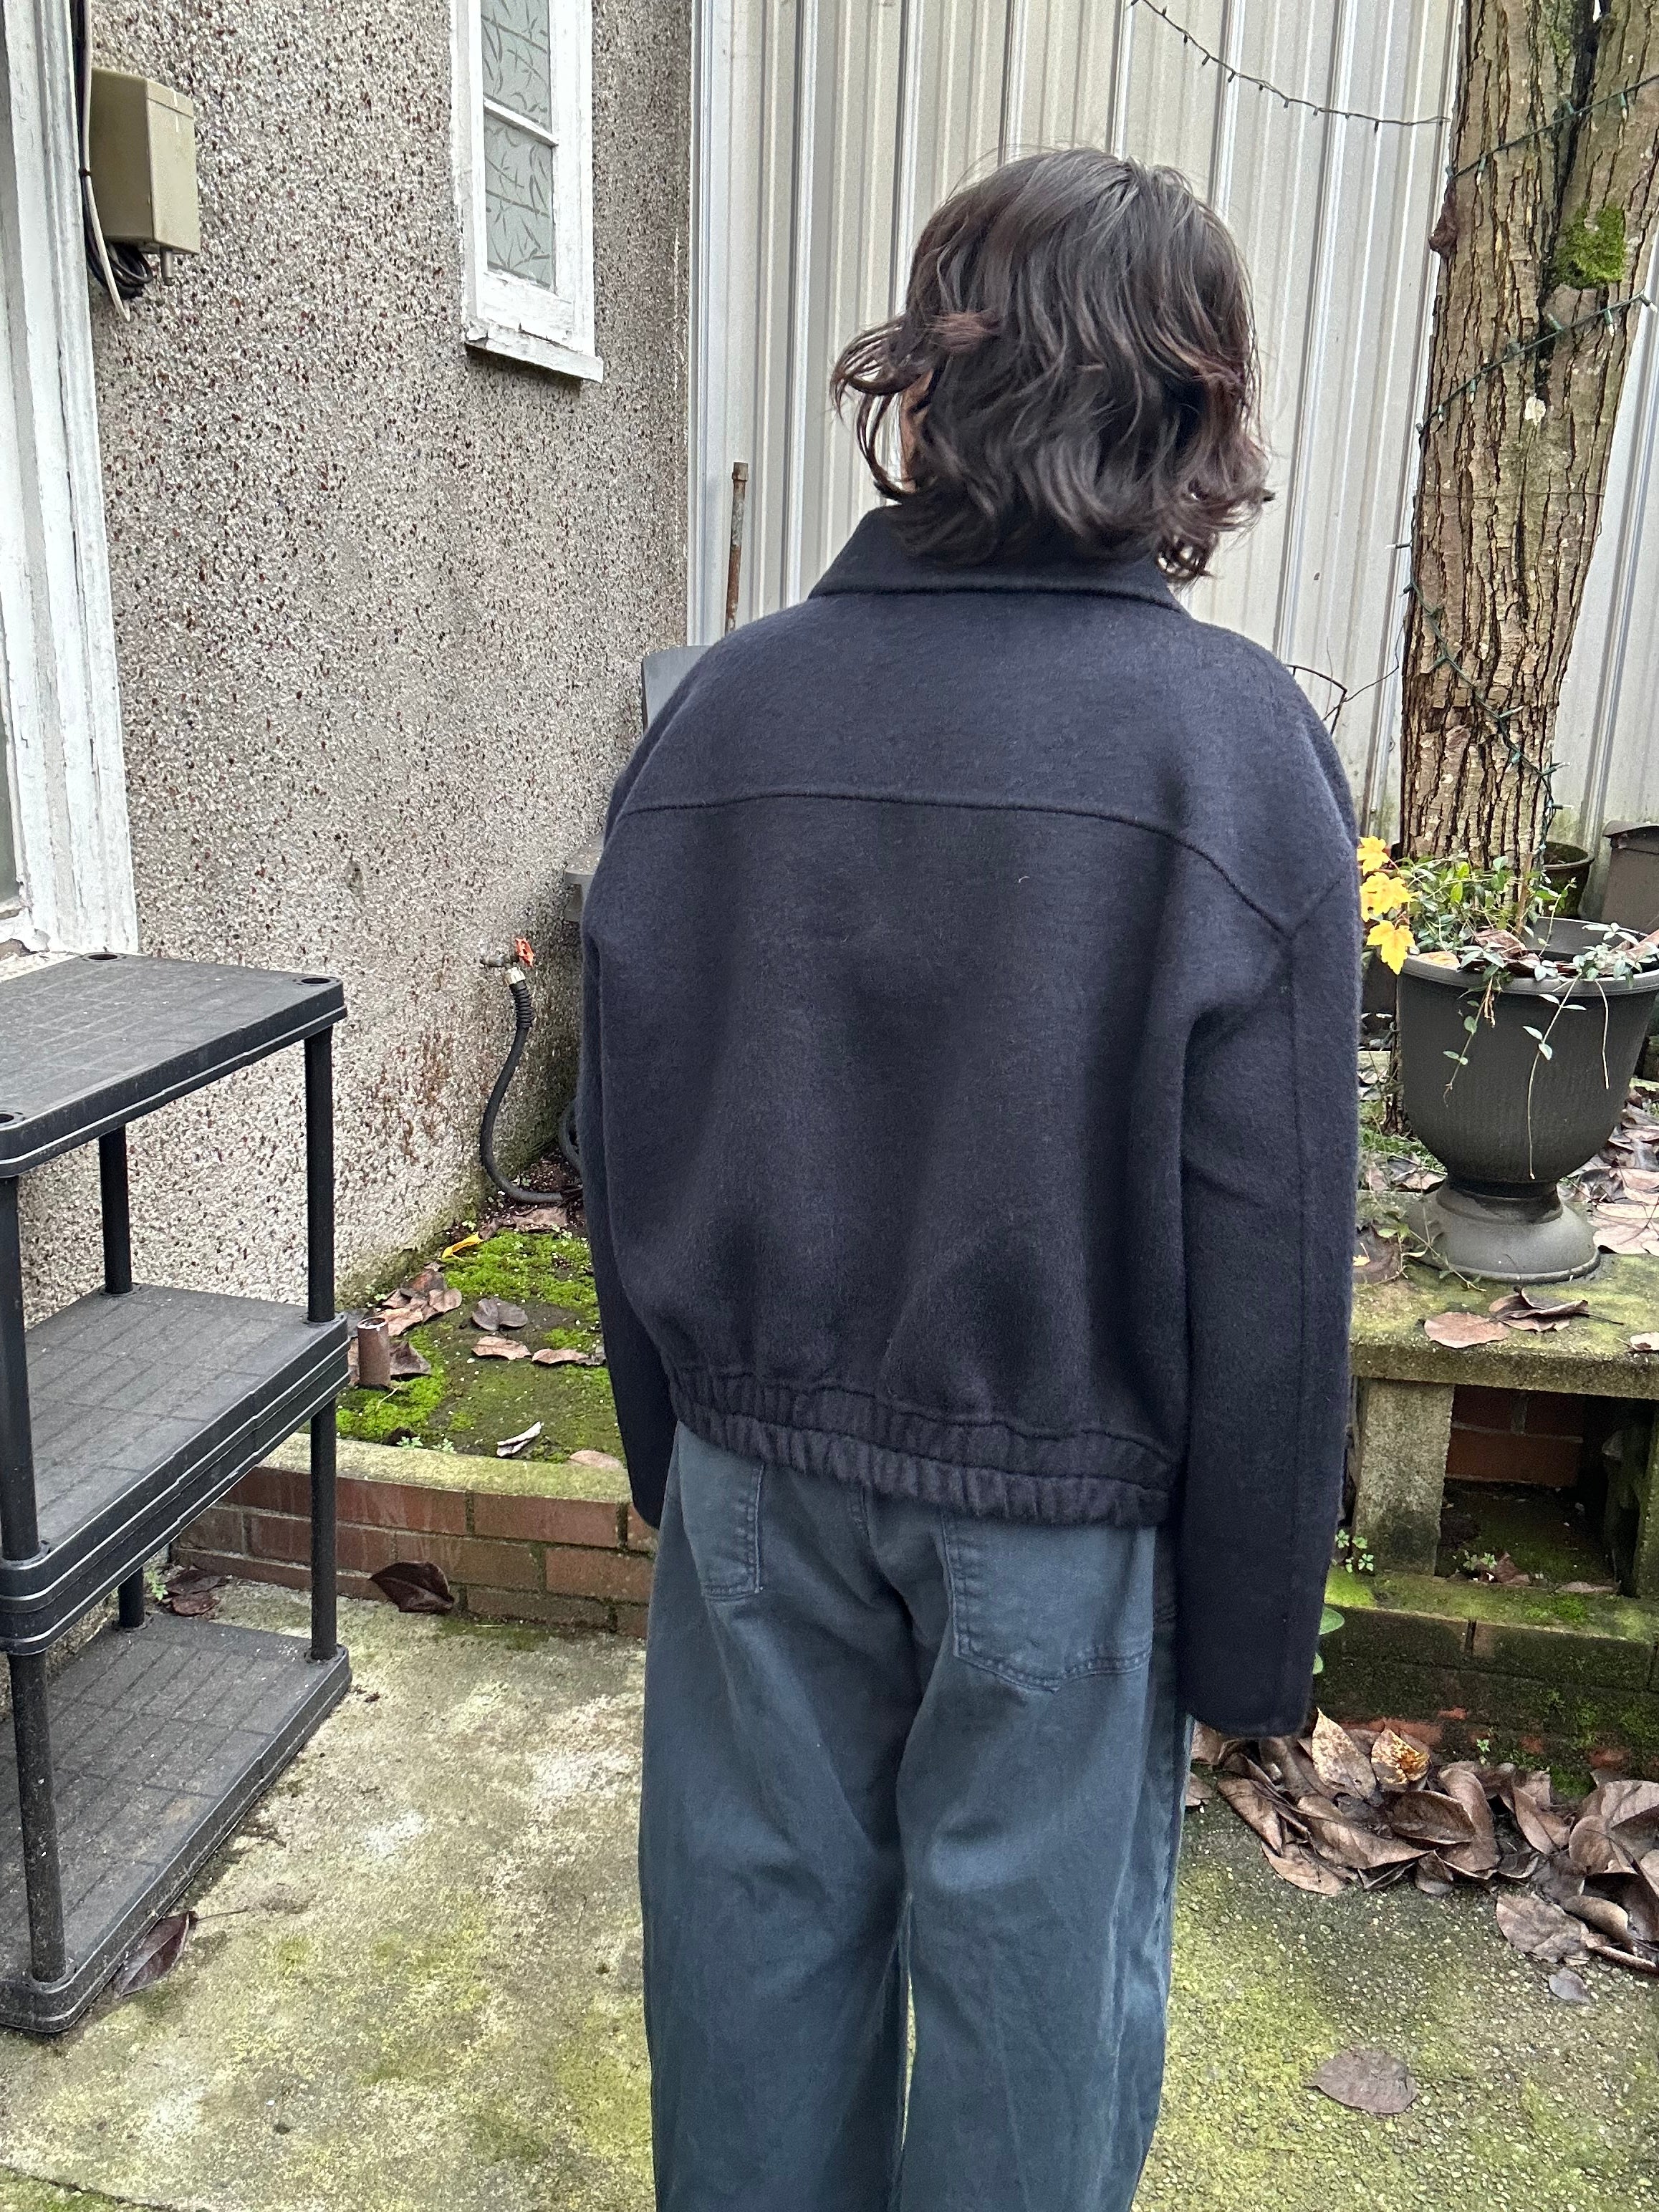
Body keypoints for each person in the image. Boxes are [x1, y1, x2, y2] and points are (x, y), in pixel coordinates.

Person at [579, 147, 1359, 2212]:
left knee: (748, 1972)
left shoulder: (717, 707)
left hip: (754, 1481)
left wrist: (675, 1446)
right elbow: (1278, 1237)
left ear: (931, 378)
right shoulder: (1230, 749)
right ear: (1189, 410)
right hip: (1061, 1521)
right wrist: (1251, 1639)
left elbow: (616, 1115)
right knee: (1032, 2036)